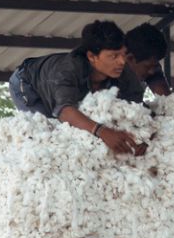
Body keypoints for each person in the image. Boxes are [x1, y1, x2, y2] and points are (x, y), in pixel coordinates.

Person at [9, 20, 147, 155]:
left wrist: (143, 137)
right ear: (92, 56)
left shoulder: (123, 72)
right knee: (47, 134)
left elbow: (136, 108)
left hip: (63, 89)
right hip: (28, 84)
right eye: (114, 56)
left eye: (123, 54)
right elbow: (65, 111)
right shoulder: (67, 71)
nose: (122, 61)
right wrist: (102, 131)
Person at [125, 23, 171, 96]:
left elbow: (167, 101)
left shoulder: (151, 69)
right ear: (130, 58)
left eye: (155, 65)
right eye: (147, 66)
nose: (151, 71)